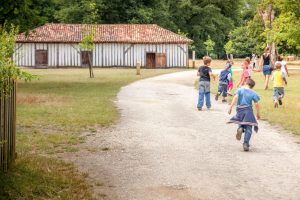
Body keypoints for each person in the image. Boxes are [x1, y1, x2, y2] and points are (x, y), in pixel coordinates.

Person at [228, 78, 261, 152]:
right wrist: (258, 113)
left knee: (241, 122)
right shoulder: (253, 93)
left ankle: (241, 128)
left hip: (239, 110)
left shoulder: (240, 90)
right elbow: (256, 104)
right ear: (252, 86)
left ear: (246, 83)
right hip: (248, 110)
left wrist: (230, 107)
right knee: (249, 128)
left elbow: (235, 97)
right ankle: (245, 144)